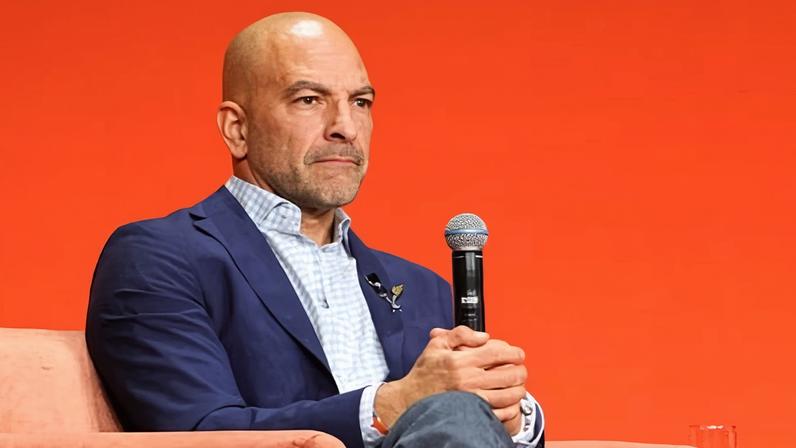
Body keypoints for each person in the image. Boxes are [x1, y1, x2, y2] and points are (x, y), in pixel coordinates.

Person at [85, 12, 545, 448]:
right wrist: (392, 404)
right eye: (309, 100)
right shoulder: (158, 257)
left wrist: (513, 413)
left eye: (360, 102)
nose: (345, 127)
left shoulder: (424, 289)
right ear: (236, 129)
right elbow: (199, 431)